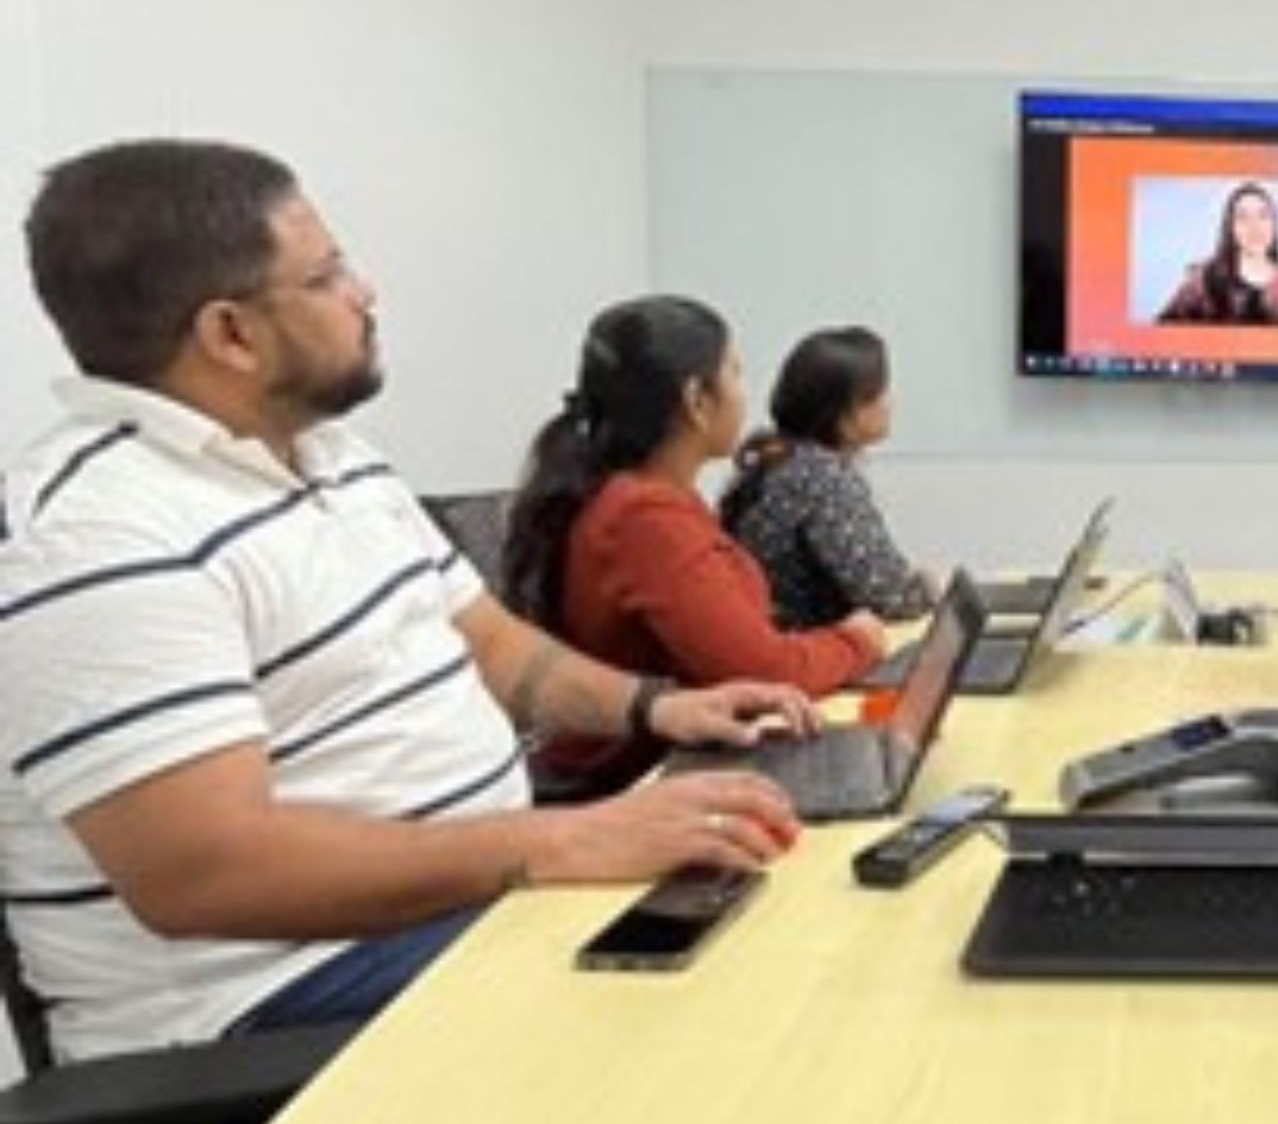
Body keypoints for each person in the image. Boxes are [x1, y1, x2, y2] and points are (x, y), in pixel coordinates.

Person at [0, 140, 810, 1067]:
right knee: (750, 1009)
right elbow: (208, 874)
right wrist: (561, 841)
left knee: (785, 906)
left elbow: (496, 649)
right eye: (329, 272)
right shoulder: (98, 540)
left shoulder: (336, 460)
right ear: (231, 334)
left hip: (450, 906)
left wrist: (655, 705)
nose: (367, 291)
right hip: (270, 1000)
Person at [504, 297, 887, 802]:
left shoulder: (652, 497)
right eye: (735, 373)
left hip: (671, 760)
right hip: (636, 783)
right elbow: (765, 669)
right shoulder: (644, 519)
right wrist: (856, 640)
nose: (745, 394)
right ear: (697, 400)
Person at [720, 327, 936, 626]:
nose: (889, 402)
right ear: (845, 414)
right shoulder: (822, 478)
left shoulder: (778, 457)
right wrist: (930, 587)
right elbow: (892, 599)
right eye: (879, 392)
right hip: (811, 656)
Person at [1155, 181, 1278, 327]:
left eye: (1263, 216)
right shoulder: (1203, 279)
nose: (1254, 226)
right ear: (1230, 228)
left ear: (1275, 225)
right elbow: (1163, 329)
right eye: (1243, 217)